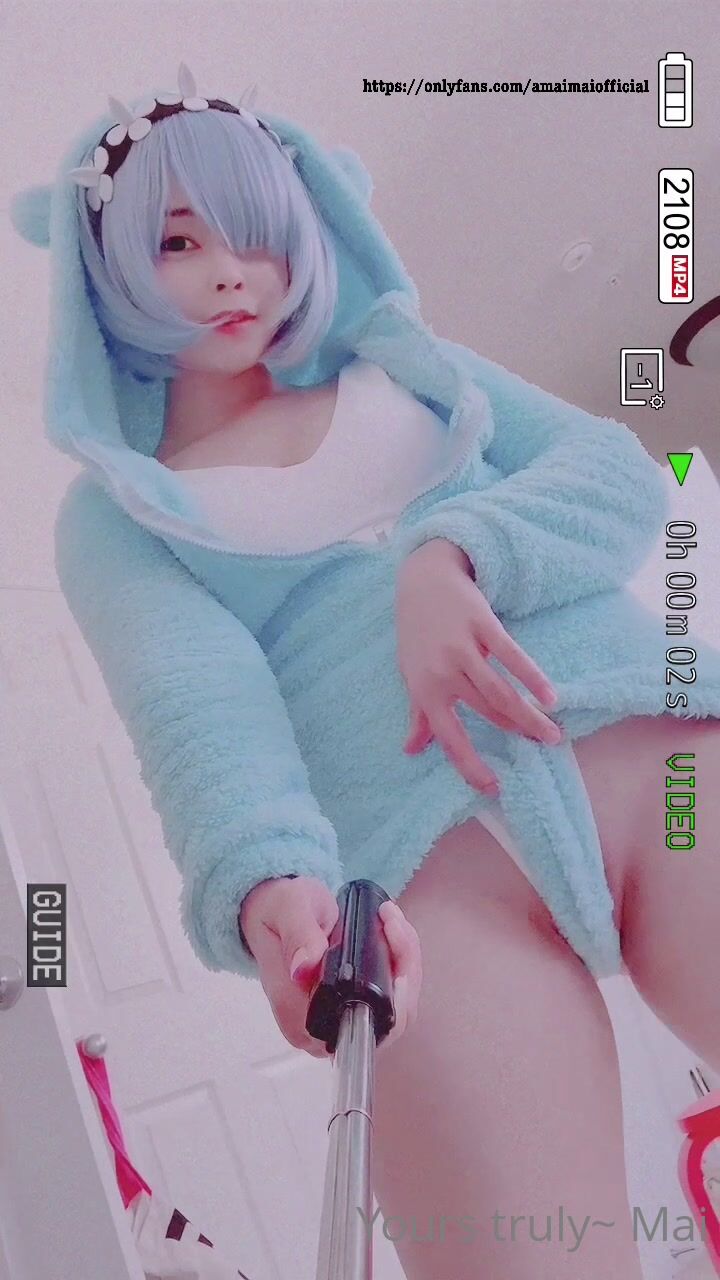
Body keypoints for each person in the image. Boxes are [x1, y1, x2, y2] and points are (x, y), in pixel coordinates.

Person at [13, 64, 720, 1279]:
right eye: (178, 242)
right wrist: (272, 893)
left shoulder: (407, 360)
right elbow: (202, 718)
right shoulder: (123, 515)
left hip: (653, 770)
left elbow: (612, 472)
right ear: (110, 270)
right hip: (417, 890)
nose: (230, 272)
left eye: (254, 232)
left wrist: (455, 552)